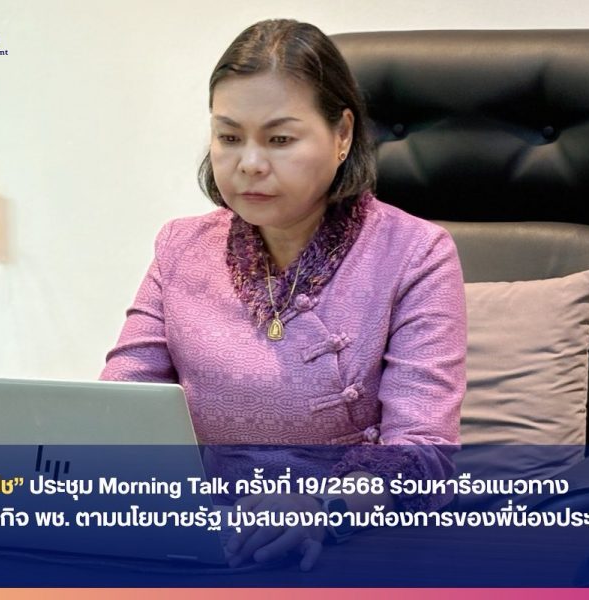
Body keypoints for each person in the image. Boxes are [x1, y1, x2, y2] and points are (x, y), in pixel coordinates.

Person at [100, 19, 466, 571]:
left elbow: (421, 452)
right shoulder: (181, 247)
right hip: (210, 539)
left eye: (279, 139)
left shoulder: (416, 253)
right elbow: (120, 406)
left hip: (353, 542)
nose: (249, 163)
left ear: (342, 135)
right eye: (229, 138)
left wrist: (323, 508)